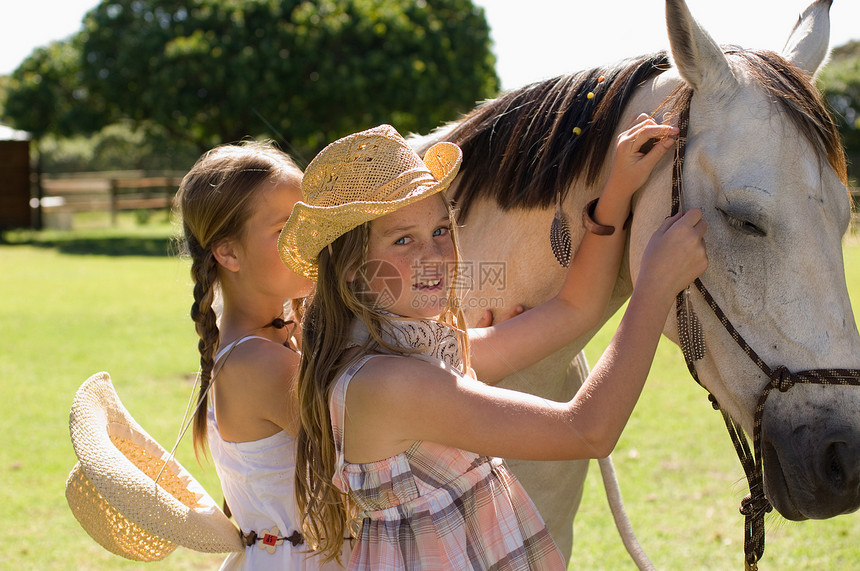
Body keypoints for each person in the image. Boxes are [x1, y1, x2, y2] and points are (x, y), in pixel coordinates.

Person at [280, 123, 707, 569]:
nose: (435, 256)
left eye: (441, 230)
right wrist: (655, 286)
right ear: (351, 267)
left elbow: (573, 310)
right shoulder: (390, 382)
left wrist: (617, 192)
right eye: (403, 239)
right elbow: (588, 430)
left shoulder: (412, 354)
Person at [176, 141, 348, 570]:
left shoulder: (271, 340)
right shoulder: (257, 364)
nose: (309, 240)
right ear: (228, 252)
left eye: (311, 222)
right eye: (286, 229)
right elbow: (379, 444)